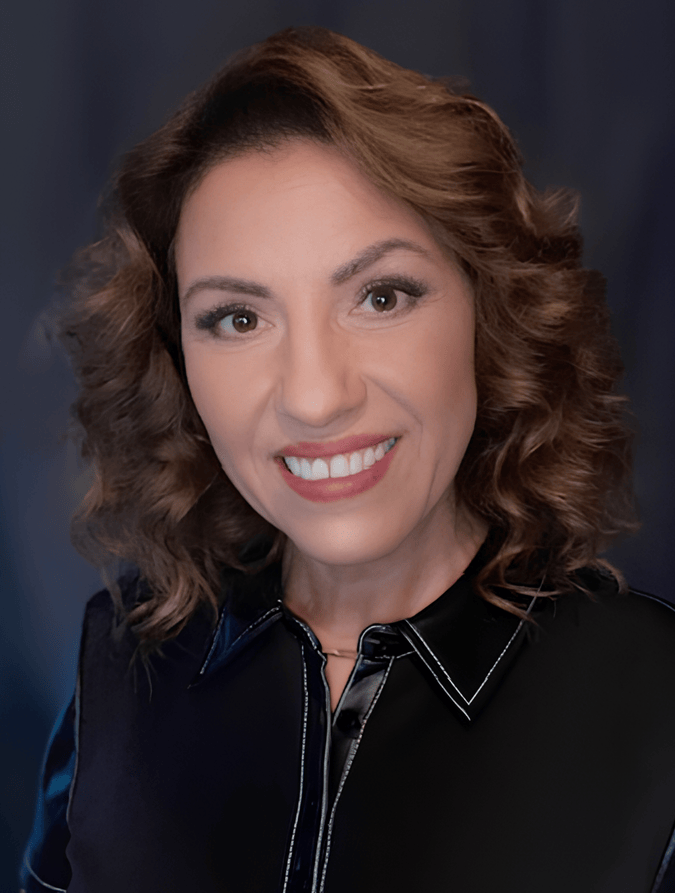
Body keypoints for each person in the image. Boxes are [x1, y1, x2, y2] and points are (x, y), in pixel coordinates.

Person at [19, 25, 675, 893]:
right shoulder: (117, 659)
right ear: (177, 359)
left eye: (380, 295)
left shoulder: (654, 693)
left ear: (489, 313)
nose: (315, 396)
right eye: (238, 318)